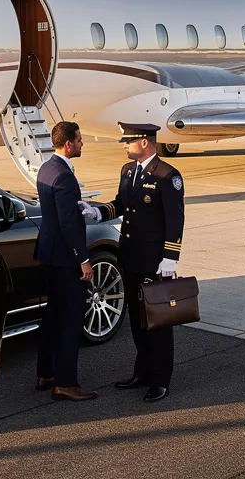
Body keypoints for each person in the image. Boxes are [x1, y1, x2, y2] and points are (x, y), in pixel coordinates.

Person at [91, 122, 184, 402]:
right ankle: (142, 371)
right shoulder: (128, 171)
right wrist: (98, 212)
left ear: (144, 142)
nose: (125, 146)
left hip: (154, 262)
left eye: (129, 142)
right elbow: (121, 204)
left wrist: (170, 258)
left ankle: (161, 379)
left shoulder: (168, 176)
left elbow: (175, 220)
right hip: (130, 257)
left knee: (156, 322)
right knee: (136, 320)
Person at [33, 121, 99, 401]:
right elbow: (68, 223)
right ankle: (66, 383)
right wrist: (83, 259)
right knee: (72, 319)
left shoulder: (47, 168)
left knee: (52, 315)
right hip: (65, 257)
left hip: (49, 253)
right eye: (80, 140)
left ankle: (45, 372)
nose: (83, 144)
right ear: (69, 144)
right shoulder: (64, 177)